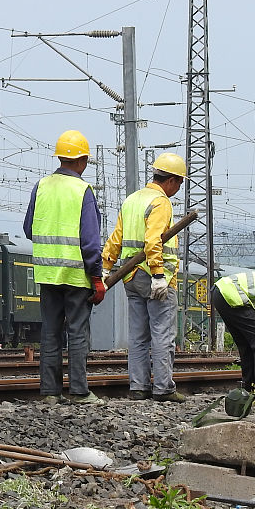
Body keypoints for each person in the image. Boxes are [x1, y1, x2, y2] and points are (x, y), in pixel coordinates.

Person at [22, 129, 106, 406]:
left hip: (47, 273)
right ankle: (80, 392)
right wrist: (97, 277)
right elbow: (91, 243)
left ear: (60, 157)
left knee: (49, 332)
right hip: (76, 274)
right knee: (78, 332)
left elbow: (28, 228)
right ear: (82, 160)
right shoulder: (83, 190)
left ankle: (50, 392)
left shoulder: (41, 186)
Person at [102, 152, 186, 402]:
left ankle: (138, 387)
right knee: (162, 334)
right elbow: (153, 240)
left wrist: (106, 266)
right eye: (179, 182)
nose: (178, 188)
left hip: (130, 276)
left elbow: (116, 237)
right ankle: (163, 388)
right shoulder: (160, 202)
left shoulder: (132, 200)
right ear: (170, 180)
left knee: (138, 336)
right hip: (155, 277)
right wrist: (159, 275)